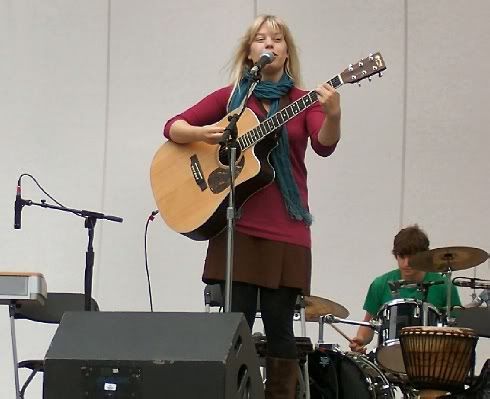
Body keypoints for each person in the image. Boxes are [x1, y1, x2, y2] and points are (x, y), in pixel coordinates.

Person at [163, 14, 341, 399]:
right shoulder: (231, 99)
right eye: (261, 39)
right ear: (249, 52)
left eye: (277, 40)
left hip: (286, 228)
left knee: (280, 326)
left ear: (287, 52)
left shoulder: (302, 101)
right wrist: (204, 132)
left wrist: (334, 114)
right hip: (237, 225)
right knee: (234, 325)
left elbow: (324, 144)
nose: (269, 45)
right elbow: (173, 127)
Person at [349, 224, 462, 353]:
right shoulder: (380, 284)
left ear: (424, 255)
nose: (406, 263)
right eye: (402, 257)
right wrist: (360, 339)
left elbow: (456, 329)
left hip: (432, 359)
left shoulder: (444, 286)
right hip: (390, 357)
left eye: (412, 257)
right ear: (395, 255)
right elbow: (369, 324)